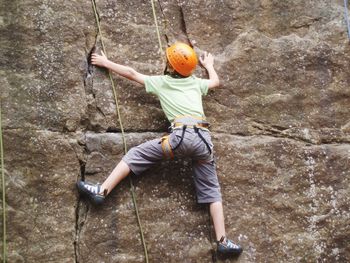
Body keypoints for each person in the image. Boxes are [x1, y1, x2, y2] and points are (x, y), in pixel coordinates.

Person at [77, 42, 243, 257]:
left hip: (181, 137)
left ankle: (102, 191)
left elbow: (131, 73)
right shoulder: (195, 83)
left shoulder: (162, 82)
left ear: (172, 68)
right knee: (212, 190)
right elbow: (216, 82)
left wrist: (105, 62)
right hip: (203, 141)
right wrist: (209, 65)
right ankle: (223, 242)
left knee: (135, 154)